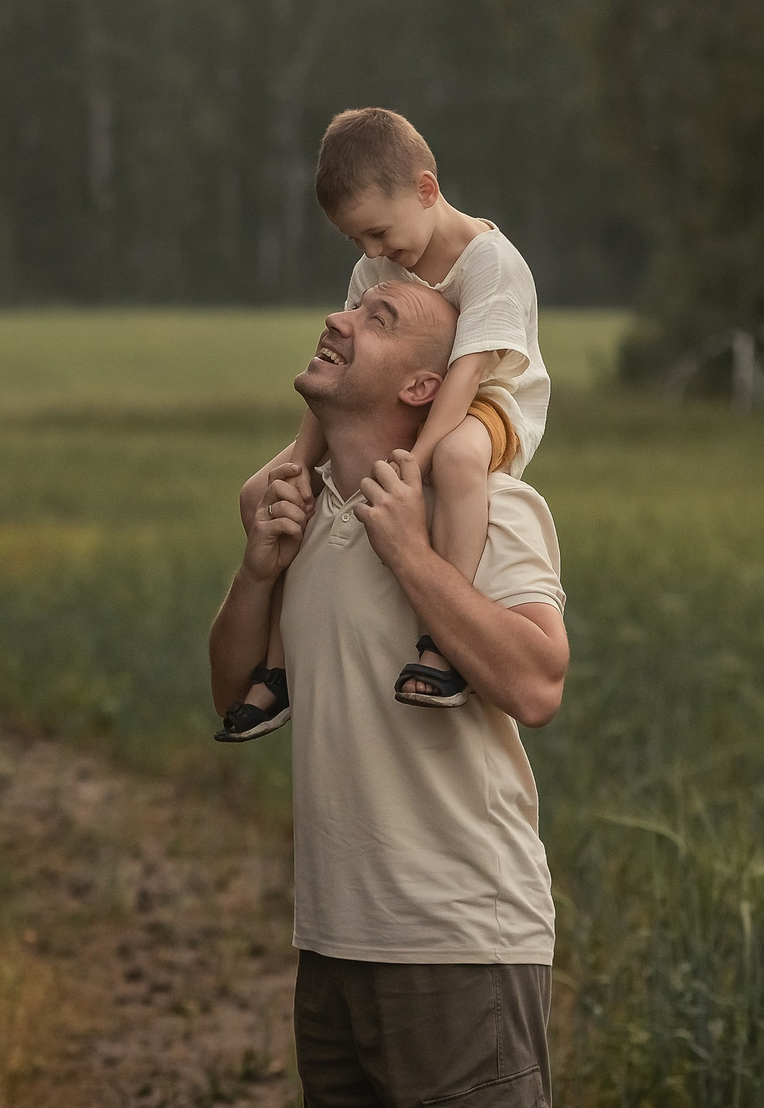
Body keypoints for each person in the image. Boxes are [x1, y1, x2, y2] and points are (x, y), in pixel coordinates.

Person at [208, 279, 570, 1108]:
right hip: (332, 942)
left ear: (421, 387)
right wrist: (258, 570)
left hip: (460, 943)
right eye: (350, 308)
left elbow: (539, 684)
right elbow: (231, 690)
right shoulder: (303, 513)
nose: (337, 318)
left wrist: (411, 555)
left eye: (377, 320)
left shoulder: (489, 510)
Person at [217, 108, 549, 740]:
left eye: (377, 233)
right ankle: (279, 669)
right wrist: (296, 464)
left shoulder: (492, 264)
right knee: (263, 492)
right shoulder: (379, 266)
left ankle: (441, 644)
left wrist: (413, 465)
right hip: (425, 396)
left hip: (491, 398)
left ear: (426, 191)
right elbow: (337, 369)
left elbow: (466, 375)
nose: (372, 255)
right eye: (356, 243)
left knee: (455, 459)